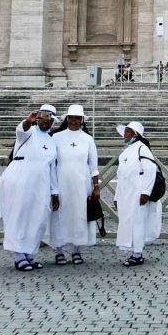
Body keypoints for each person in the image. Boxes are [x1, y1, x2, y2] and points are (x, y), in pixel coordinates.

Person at [0, 104, 61, 270]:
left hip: (41, 183)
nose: (45, 123)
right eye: (42, 118)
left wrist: (55, 192)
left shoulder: (51, 140)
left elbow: (52, 168)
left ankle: (30, 254)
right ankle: (19, 255)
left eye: (49, 120)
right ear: (38, 118)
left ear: (53, 122)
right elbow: (21, 130)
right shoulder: (28, 133)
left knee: (38, 218)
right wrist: (28, 121)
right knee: (18, 215)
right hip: (20, 178)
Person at [48, 105, 98, 265]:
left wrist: (96, 186)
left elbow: (93, 165)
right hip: (61, 182)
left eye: (77, 118)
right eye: (71, 117)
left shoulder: (88, 139)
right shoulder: (56, 137)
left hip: (82, 184)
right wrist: (52, 189)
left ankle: (77, 250)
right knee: (60, 215)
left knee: (79, 215)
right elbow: (51, 163)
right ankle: (59, 251)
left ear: (82, 120)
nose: (74, 121)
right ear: (67, 119)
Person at [114, 121, 162, 267]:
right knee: (129, 221)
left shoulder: (142, 149)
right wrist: (116, 196)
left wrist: (145, 193)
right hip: (126, 193)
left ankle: (137, 253)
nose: (125, 134)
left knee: (138, 222)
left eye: (128, 131)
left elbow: (150, 171)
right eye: (125, 131)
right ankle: (134, 250)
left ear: (135, 134)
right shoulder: (126, 151)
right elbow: (121, 175)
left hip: (137, 192)